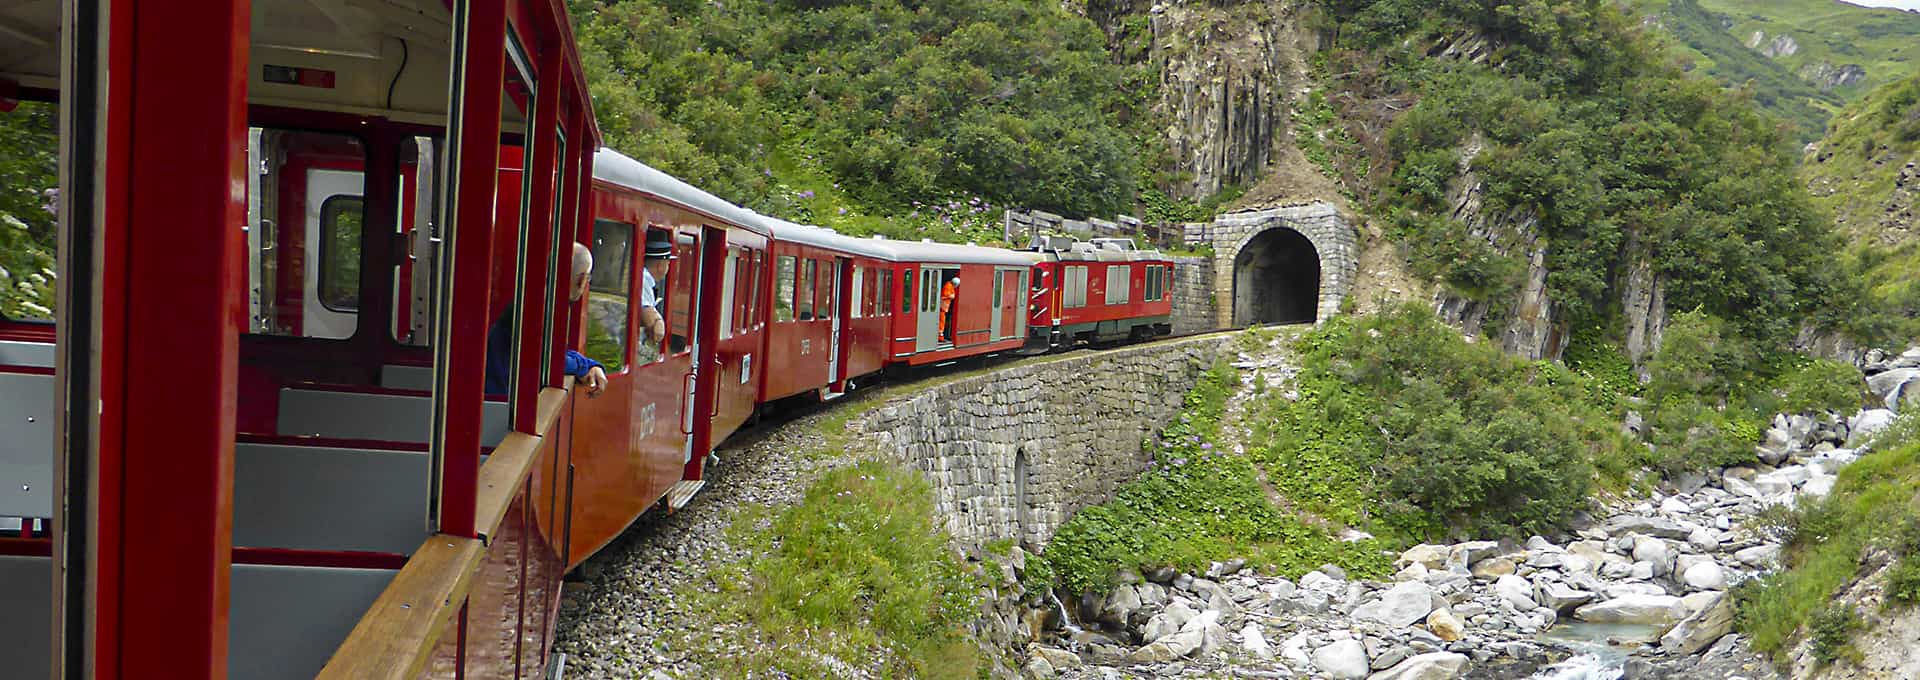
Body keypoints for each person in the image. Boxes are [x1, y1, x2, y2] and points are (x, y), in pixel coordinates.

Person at [484, 242, 609, 396]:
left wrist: (590, 365)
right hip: (499, 402)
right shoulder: (542, 306)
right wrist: (584, 366)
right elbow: (550, 360)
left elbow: (554, 352)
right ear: (582, 280)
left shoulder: (539, 297)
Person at [635, 234, 672, 362]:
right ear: (661, 265)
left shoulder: (644, 278)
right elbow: (655, 328)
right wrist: (658, 322)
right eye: (668, 263)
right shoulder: (644, 280)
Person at [939, 275, 959, 343]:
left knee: (943, 322)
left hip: (944, 308)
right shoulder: (948, 286)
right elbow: (945, 295)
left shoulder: (950, 286)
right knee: (941, 322)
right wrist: (952, 296)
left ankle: (941, 336)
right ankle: (940, 337)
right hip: (942, 307)